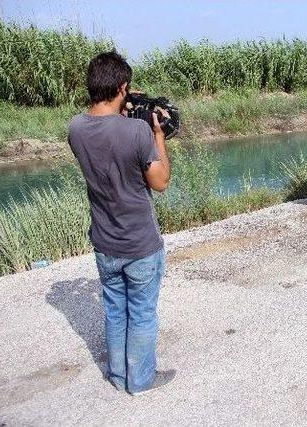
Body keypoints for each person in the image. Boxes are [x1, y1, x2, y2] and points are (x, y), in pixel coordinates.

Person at [68, 51, 176, 395]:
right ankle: (141, 380)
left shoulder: (75, 128)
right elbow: (159, 183)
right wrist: (157, 134)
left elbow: (106, 135)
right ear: (122, 87)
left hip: (105, 241)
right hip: (140, 242)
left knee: (115, 312)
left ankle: (117, 375)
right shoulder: (137, 133)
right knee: (142, 313)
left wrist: (125, 105)